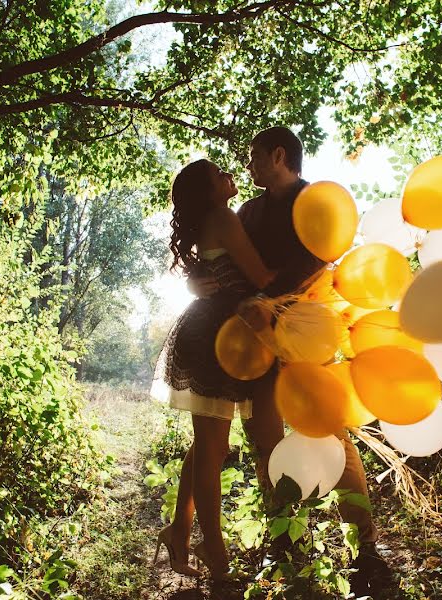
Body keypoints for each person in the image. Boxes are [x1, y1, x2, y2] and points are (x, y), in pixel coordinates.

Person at [188, 127, 391, 591]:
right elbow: (226, 264)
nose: (248, 164)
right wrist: (199, 282)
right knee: (266, 441)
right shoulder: (248, 210)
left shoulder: (316, 202)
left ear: (278, 155)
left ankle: (366, 547)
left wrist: (268, 297)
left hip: (306, 335)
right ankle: (286, 543)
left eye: (255, 155)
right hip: (257, 343)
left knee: (331, 432)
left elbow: (320, 259)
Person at [151, 159, 276, 581]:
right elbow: (262, 276)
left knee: (209, 445)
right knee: (211, 447)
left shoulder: (222, 216)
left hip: (219, 335)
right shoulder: (223, 216)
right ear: (210, 193)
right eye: (218, 174)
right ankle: (214, 550)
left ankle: (181, 529)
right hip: (215, 340)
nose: (229, 175)